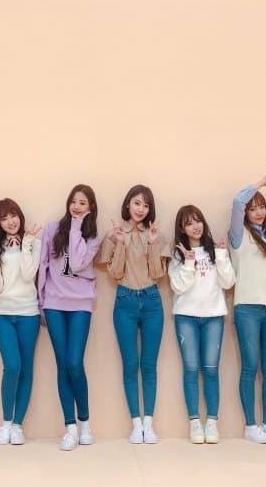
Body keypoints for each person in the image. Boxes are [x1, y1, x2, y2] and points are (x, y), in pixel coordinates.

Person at [100, 184, 171, 444]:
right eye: (137, 203)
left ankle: (149, 424)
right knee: (130, 364)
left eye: (146, 205)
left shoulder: (158, 235)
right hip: (125, 301)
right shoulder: (114, 234)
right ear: (128, 204)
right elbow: (115, 273)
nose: (141, 209)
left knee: (149, 365)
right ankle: (136, 424)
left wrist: (152, 243)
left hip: (152, 301)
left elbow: (158, 274)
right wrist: (120, 243)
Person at [38, 184, 101, 451]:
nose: (76, 207)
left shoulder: (93, 237)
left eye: (82, 203)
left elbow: (75, 263)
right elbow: (43, 265)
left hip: (81, 304)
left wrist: (76, 227)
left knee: (75, 362)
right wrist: (41, 301)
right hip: (54, 303)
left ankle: (85, 422)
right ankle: (70, 427)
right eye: (74, 201)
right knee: (62, 364)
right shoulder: (52, 228)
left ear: (91, 208)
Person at [229, 169, 266, 444]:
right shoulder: (238, 235)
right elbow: (237, 201)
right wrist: (260, 184)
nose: (258, 211)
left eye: (261, 207)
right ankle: (250, 426)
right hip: (247, 309)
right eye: (253, 208)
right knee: (250, 367)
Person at [169, 205, 234, 444]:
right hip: (186, 317)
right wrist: (188, 262)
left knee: (211, 370)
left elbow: (228, 283)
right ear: (182, 229)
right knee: (191, 369)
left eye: (198, 221)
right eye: (189, 223)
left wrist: (223, 256)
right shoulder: (177, 254)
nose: (195, 226)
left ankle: (212, 423)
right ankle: (195, 422)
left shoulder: (215, 252)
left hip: (214, 317)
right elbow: (178, 287)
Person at [0, 198, 42, 445]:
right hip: (2, 313)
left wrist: (26, 246)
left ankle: (18, 425)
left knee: (26, 368)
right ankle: (6, 423)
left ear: (20, 216)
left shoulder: (34, 243)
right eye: (4, 218)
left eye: (13, 215)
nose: (10, 221)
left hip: (28, 313)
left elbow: (29, 276)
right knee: (12, 366)